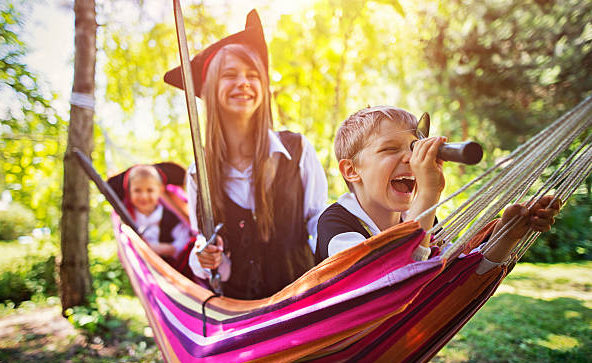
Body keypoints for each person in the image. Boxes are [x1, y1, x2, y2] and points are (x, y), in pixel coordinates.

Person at [163, 10, 328, 299]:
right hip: (240, 317)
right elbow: (204, 243)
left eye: (252, 75)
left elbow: (319, 223)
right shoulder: (197, 174)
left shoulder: (297, 151)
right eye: (230, 75)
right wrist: (203, 258)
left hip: (302, 304)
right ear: (209, 90)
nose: (243, 82)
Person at [315, 105, 561, 271]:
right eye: (389, 149)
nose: (411, 159)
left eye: (414, 148)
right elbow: (387, 282)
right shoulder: (337, 223)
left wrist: (507, 234)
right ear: (351, 170)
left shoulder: (425, 222)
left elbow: (462, 276)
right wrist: (429, 194)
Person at [125, 165, 193, 269]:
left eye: (150, 190)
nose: (144, 196)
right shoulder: (127, 217)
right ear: (129, 191)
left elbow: (185, 240)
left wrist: (168, 249)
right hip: (140, 267)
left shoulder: (169, 217)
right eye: (137, 190)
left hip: (168, 269)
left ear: (160, 190)